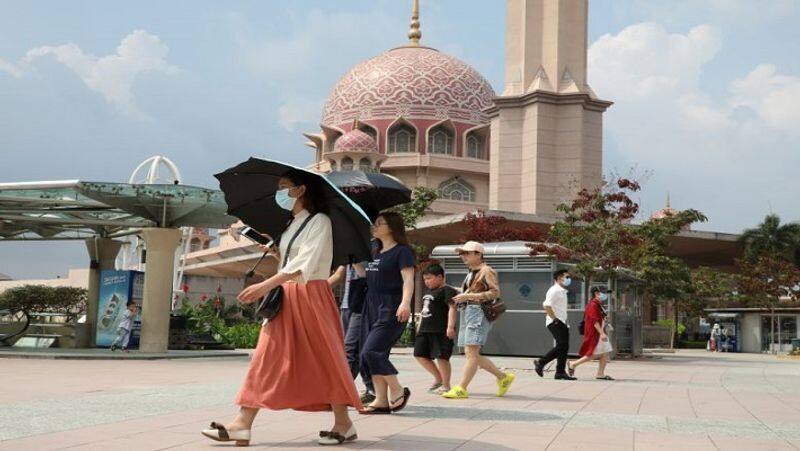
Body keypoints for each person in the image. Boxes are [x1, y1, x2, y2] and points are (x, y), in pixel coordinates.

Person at [202, 170, 361, 447]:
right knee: (267, 355)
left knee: (325, 358)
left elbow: (305, 264)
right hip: (289, 294)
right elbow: (294, 261)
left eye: (285, 187)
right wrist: (277, 253)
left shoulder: (319, 221)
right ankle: (242, 423)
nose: (281, 192)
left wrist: (264, 286)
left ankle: (343, 423)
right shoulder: (293, 223)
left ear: (301, 190)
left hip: (310, 295)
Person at [442, 241, 515, 399]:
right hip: (469, 312)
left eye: (467, 253)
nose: (463, 256)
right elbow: (473, 291)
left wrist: (468, 295)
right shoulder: (471, 272)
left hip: (478, 313)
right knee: (471, 354)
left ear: (478, 254)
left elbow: (495, 293)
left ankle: (461, 388)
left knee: (471, 353)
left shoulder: (486, 270)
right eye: (462, 253)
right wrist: (459, 291)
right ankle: (503, 377)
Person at [359, 212, 415, 414]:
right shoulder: (374, 249)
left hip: (391, 305)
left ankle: (397, 388)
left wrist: (405, 303)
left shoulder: (403, 251)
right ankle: (381, 401)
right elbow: (363, 274)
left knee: (371, 351)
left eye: (379, 223)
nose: (374, 226)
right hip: (371, 304)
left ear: (391, 227)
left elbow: (408, 280)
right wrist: (354, 258)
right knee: (369, 355)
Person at [328, 263, 376, 404]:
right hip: (347, 305)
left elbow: (370, 277)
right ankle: (354, 391)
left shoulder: (369, 252)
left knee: (350, 348)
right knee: (347, 351)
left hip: (362, 305)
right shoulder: (349, 253)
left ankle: (341, 392)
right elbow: (337, 276)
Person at [414, 263, 458, 394]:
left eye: (429, 278)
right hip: (425, 329)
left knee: (442, 357)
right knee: (419, 354)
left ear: (440, 277)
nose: (426, 282)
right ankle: (438, 378)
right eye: (425, 279)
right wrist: (418, 326)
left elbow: (452, 308)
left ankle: (446, 385)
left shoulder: (447, 290)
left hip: (440, 329)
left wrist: (450, 327)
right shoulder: (429, 292)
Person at [534, 269, 577, 380]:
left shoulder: (562, 291)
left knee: (564, 347)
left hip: (562, 322)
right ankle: (541, 362)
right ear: (559, 278)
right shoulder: (554, 290)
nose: (568, 279)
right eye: (566, 277)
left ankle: (560, 372)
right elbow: (546, 305)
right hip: (555, 322)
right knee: (562, 345)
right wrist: (555, 319)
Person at [566, 286, 614, 380]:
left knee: (605, 353)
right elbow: (594, 321)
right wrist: (601, 333)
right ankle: (573, 364)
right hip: (595, 333)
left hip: (599, 332)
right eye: (603, 293)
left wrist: (604, 320)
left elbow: (599, 318)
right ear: (596, 293)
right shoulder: (593, 305)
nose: (605, 295)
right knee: (593, 353)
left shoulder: (598, 304)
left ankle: (600, 374)